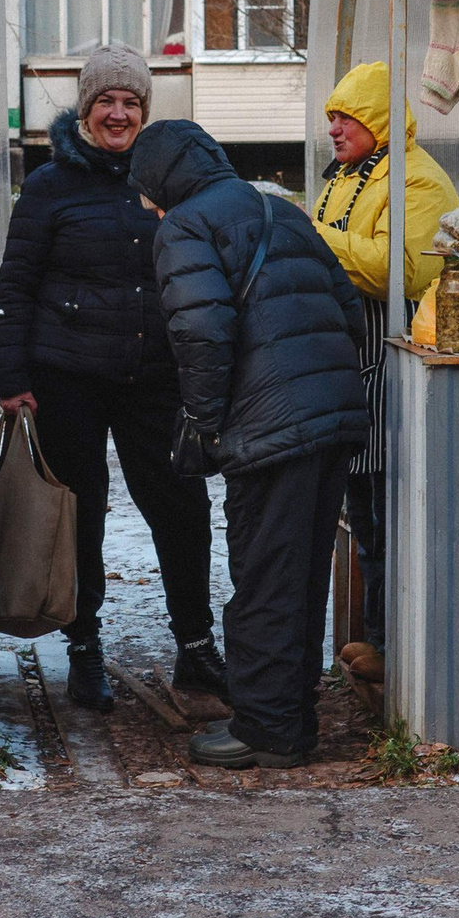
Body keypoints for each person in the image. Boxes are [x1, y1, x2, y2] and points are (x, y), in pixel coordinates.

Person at [128, 119, 369, 770]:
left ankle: (265, 727)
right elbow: (347, 307)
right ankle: (294, 716)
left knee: (263, 574)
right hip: (332, 414)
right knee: (302, 573)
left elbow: (202, 334)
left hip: (269, 422)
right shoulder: (276, 208)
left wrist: (207, 423)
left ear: (161, 181)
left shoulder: (185, 226)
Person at [0, 48, 224, 713]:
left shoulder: (168, 178)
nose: (119, 112)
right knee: (80, 514)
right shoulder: (50, 185)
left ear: (145, 112)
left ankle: (196, 644)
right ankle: (85, 648)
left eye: (131, 102)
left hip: (156, 376)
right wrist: (11, 373)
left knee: (182, 508)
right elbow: (19, 281)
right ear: (86, 109)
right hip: (68, 375)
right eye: (107, 101)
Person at [310, 61, 458, 686]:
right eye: (332, 118)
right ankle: (378, 639)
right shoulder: (346, 176)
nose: (335, 128)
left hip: (390, 364)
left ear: (374, 119)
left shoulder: (416, 180)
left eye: (345, 116)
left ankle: (397, 649)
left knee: (392, 515)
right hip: (350, 364)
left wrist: (312, 239)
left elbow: (400, 271)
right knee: (366, 514)